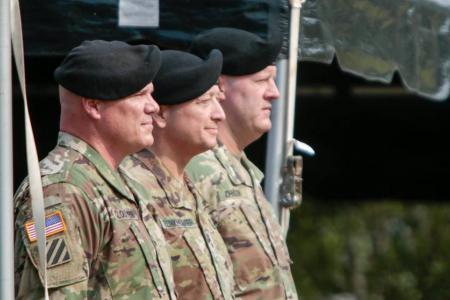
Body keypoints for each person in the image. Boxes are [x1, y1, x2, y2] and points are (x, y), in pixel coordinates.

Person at [14, 40, 176, 299]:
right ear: (93, 106)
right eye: (139, 95)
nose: (153, 106)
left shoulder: (118, 179)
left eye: (151, 93)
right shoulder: (61, 191)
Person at [186, 28, 299, 299]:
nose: (275, 93)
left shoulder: (241, 170)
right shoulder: (194, 169)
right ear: (220, 87)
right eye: (263, 81)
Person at [120, 49, 234, 300]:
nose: (219, 114)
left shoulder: (189, 186)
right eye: (204, 101)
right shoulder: (131, 191)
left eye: (217, 100)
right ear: (160, 113)